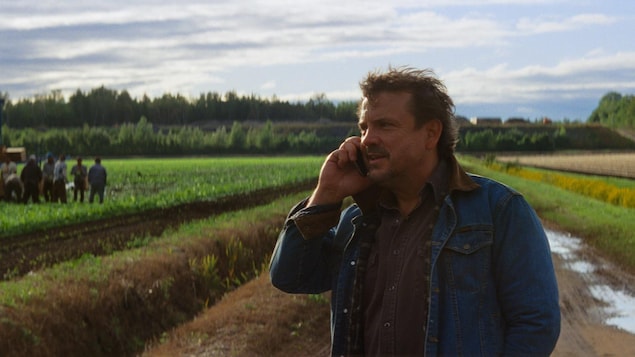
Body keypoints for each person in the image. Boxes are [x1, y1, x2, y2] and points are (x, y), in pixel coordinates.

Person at [269, 67, 560, 356]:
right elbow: (290, 277)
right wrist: (326, 194)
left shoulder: (499, 211)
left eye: (385, 125)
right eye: (364, 127)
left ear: (431, 134)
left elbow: (536, 325)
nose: (367, 139)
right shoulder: (356, 222)